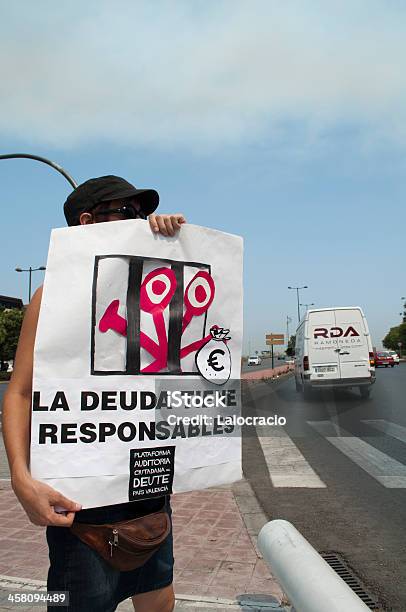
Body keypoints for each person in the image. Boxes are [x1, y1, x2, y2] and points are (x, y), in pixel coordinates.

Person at [2, 175, 186, 612]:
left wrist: (177, 246)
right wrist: (21, 480)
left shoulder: (154, 291)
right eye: (128, 213)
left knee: (159, 599)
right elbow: (20, 393)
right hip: (81, 504)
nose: (140, 222)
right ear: (87, 222)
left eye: (144, 214)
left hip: (148, 487)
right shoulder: (52, 298)